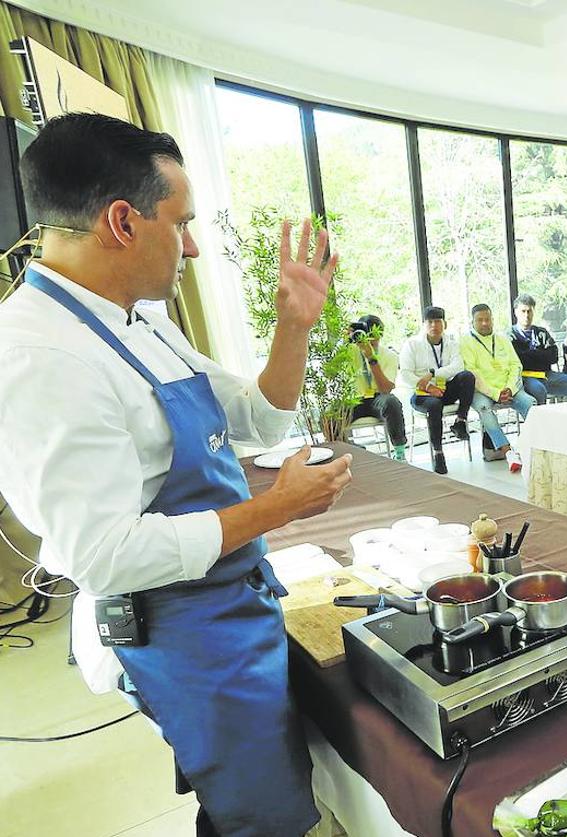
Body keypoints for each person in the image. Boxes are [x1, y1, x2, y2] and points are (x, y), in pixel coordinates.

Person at [0, 114, 352, 837]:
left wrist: (295, 325)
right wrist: (277, 507)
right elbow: (107, 554)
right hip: (180, 626)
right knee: (260, 816)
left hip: (228, 600)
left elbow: (257, 419)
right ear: (123, 222)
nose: (191, 245)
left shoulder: (138, 317)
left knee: (247, 794)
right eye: (181, 223)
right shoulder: (43, 356)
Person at [459, 303, 536, 472]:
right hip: (483, 391)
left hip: (509, 390)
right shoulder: (465, 341)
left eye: (488, 319)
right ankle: (508, 452)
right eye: (480, 320)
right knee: (484, 408)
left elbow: (516, 365)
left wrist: (509, 388)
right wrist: (495, 393)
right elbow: (472, 373)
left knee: (532, 404)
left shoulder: (502, 338)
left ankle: (531, 446)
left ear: (492, 320)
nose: (485, 323)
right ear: (473, 322)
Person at [397, 306, 474, 475]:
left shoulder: (451, 343)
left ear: (444, 324)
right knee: (434, 405)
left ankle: (460, 421)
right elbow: (405, 374)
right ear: (424, 324)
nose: (434, 325)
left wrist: (433, 373)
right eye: (430, 322)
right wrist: (428, 386)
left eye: (438, 321)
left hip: (444, 389)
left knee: (467, 376)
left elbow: (458, 366)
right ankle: (438, 452)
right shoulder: (412, 345)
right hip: (421, 395)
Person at [509, 294, 567, 404]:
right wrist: (541, 356)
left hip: (548, 375)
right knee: (539, 390)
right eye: (523, 311)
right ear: (516, 312)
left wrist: (529, 355)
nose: (526, 315)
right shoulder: (510, 335)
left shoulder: (541, 332)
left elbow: (553, 357)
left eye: (530, 311)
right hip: (525, 378)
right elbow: (518, 360)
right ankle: (540, 421)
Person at [348, 313, 407, 460]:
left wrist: (371, 358)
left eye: (374, 336)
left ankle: (399, 452)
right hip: (355, 399)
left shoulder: (390, 356)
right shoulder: (349, 352)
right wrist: (345, 340)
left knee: (392, 402)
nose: (369, 340)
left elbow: (385, 389)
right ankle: (348, 447)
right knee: (330, 414)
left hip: (377, 398)